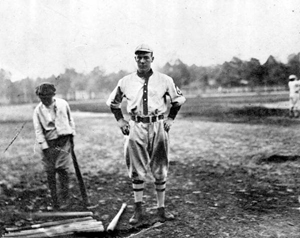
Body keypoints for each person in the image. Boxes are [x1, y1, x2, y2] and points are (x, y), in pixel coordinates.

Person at [106, 44, 186, 225]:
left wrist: (171, 119)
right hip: (136, 125)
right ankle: (138, 210)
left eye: (146, 57)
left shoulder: (165, 79)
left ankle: (161, 209)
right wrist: (120, 121)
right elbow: (113, 103)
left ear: (152, 59)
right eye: (139, 57)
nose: (142, 61)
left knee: (160, 167)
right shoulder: (125, 81)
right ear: (135, 59)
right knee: (136, 168)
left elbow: (178, 99)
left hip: (158, 124)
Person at [33, 83, 76, 210]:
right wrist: (44, 145)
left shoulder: (63, 104)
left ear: (53, 95)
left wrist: (72, 133)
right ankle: (54, 200)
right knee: (50, 171)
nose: (45, 100)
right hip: (49, 142)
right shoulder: (38, 110)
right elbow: (38, 130)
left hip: (64, 140)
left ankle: (65, 198)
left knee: (62, 168)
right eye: (42, 97)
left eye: (47, 97)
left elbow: (70, 119)